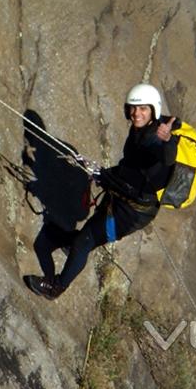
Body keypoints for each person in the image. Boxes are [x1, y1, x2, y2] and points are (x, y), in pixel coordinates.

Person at [23, 83, 180, 300]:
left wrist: (167, 141)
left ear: (153, 109)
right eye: (133, 108)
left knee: (84, 242)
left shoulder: (156, 137)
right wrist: (103, 174)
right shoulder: (137, 132)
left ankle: (56, 287)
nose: (136, 113)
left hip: (131, 214)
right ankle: (72, 246)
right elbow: (130, 167)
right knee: (84, 238)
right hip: (119, 199)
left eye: (143, 108)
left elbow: (167, 157)